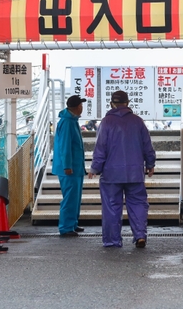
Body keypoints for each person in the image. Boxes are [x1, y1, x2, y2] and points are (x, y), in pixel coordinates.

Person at [89, 90, 155, 248]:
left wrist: (94, 168)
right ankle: (140, 235)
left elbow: (100, 148)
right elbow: (148, 146)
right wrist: (150, 164)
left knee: (111, 207)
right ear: (127, 103)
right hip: (135, 172)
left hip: (111, 174)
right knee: (138, 203)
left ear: (112, 103)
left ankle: (112, 241)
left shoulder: (106, 122)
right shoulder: (138, 121)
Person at [53, 95, 87, 237]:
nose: (82, 108)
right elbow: (65, 146)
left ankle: (72, 223)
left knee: (75, 197)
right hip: (69, 168)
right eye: (81, 105)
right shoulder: (67, 122)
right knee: (69, 197)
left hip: (75, 167)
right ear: (77, 107)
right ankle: (66, 227)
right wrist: (67, 165)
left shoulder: (71, 120)